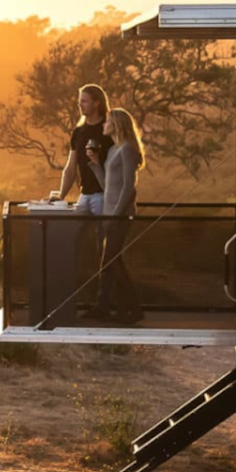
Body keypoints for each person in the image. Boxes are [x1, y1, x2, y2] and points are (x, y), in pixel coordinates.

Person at [83, 107, 146, 323]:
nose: (103, 124)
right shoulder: (112, 151)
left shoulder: (127, 149)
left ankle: (134, 309)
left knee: (111, 261)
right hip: (109, 214)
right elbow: (107, 186)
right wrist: (94, 165)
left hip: (119, 215)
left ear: (117, 124)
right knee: (112, 261)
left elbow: (129, 188)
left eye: (107, 121)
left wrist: (115, 217)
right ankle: (122, 310)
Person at [49, 84, 114, 215]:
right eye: (79, 102)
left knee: (101, 233)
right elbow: (70, 168)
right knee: (77, 233)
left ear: (96, 103)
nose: (80, 105)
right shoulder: (79, 132)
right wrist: (61, 195)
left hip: (103, 195)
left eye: (84, 101)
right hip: (84, 194)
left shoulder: (109, 130)